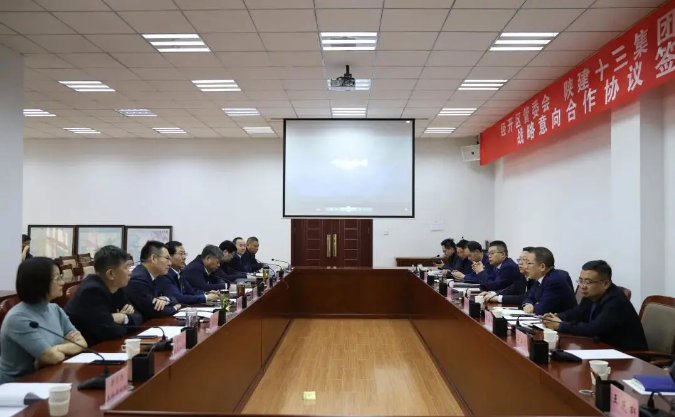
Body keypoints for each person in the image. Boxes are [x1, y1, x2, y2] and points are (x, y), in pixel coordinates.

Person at [0, 258, 86, 383]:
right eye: (57, 278)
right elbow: (51, 358)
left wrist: (56, 348)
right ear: (39, 283)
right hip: (17, 385)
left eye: (61, 277)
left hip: (47, 376)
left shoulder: (54, 309)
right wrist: (63, 346)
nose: (62, 282)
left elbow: (82, 343)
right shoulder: (18, 318)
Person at [543, 260, 648, 351]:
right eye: (580, 281)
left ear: (606, 284)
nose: (582, 286)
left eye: (588, 282)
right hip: (602, 349)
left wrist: (561, 325)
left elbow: (594, 329)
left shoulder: (616, 301)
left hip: (627, 357)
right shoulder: (591, 295)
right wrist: (557, 317)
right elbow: (577, 313)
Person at [65, 246, 143, 346]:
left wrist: (121, 317)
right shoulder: (91, 291)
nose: (130, 272)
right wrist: (120, 319)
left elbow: (138, 317)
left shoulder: (117, 288)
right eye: (126, 267)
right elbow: (109, 332)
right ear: (111, 274)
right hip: (84, 350)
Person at [125, 241, 180, 319]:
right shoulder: (138, 279)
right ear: (153, 258)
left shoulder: (157, 276)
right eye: (167, 258)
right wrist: (175, 308)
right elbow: (153, 310)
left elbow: (173, 297)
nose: (170, 263)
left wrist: (166, 299)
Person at [156, 241, 220, 304]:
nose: (184, 257)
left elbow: (191, 291)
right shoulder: (165, 275)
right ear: (169, 256)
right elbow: (178, 298)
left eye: (184, 254)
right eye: (181, 254)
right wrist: (205, 297)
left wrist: (207, 293)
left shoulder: (180, 273)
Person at [521, 247, 576, 315]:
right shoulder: (541, 278)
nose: (525, 267)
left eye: (529, 263)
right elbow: (529, 297)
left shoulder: (554, 280)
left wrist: (534, 305)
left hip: (561, 320)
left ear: (542, 267)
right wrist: (528, 304)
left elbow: (542, 310)